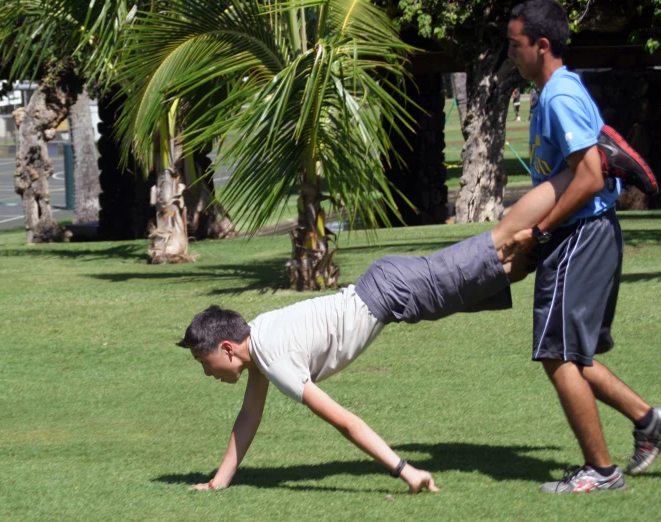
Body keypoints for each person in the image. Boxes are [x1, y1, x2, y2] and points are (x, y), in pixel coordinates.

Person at [178, 148, 649, 494]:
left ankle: (586, 168)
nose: (206, 373)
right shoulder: (258, 344)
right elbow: (249, 416)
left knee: (502, 239)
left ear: (225, 349)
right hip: (394, 295)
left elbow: (344, 422)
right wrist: (219, 483)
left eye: (203, 364)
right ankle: (573, 199)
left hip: (391, 291)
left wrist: (405, 469)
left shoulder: (273, 356)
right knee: (511, 266)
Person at [507, 0, 660, 494]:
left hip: (581, 234)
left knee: (557, 354)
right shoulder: (552, 92)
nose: (511, 53)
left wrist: (543, 230)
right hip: (585, 235)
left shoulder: (559, 97)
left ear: (541, 45)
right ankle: (649, 421)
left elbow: (591, 176)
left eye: (516, 45)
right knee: (577, 354)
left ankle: (601, 471)